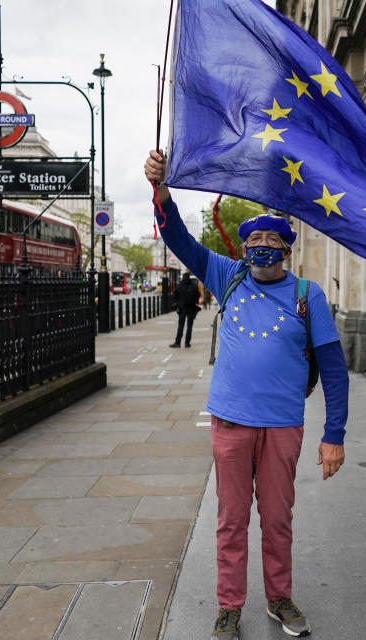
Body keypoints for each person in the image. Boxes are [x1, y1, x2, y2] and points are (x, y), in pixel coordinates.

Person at [145, 150, 348, 640]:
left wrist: (333, 435)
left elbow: (336, 369)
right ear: (243, 246)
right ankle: (229, 607)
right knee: (231, 521)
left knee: (277, 520)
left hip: (283, 425)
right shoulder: (226, 275)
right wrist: (161, 191)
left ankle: (279, 598)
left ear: (287, 249)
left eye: (272, 238)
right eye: (254, 237)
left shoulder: (308, 294)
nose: (262, 244)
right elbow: (178, 239)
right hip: (231, 423)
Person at [171, 271, 201, 348]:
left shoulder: (179, 285)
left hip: (182, 309)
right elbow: (198, 295)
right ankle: (187, 343)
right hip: (191, 308)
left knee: (180, 326)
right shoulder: (193, 285)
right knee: (189, 326)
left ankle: (177, 343)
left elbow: (175, 296)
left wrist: (178, 304)